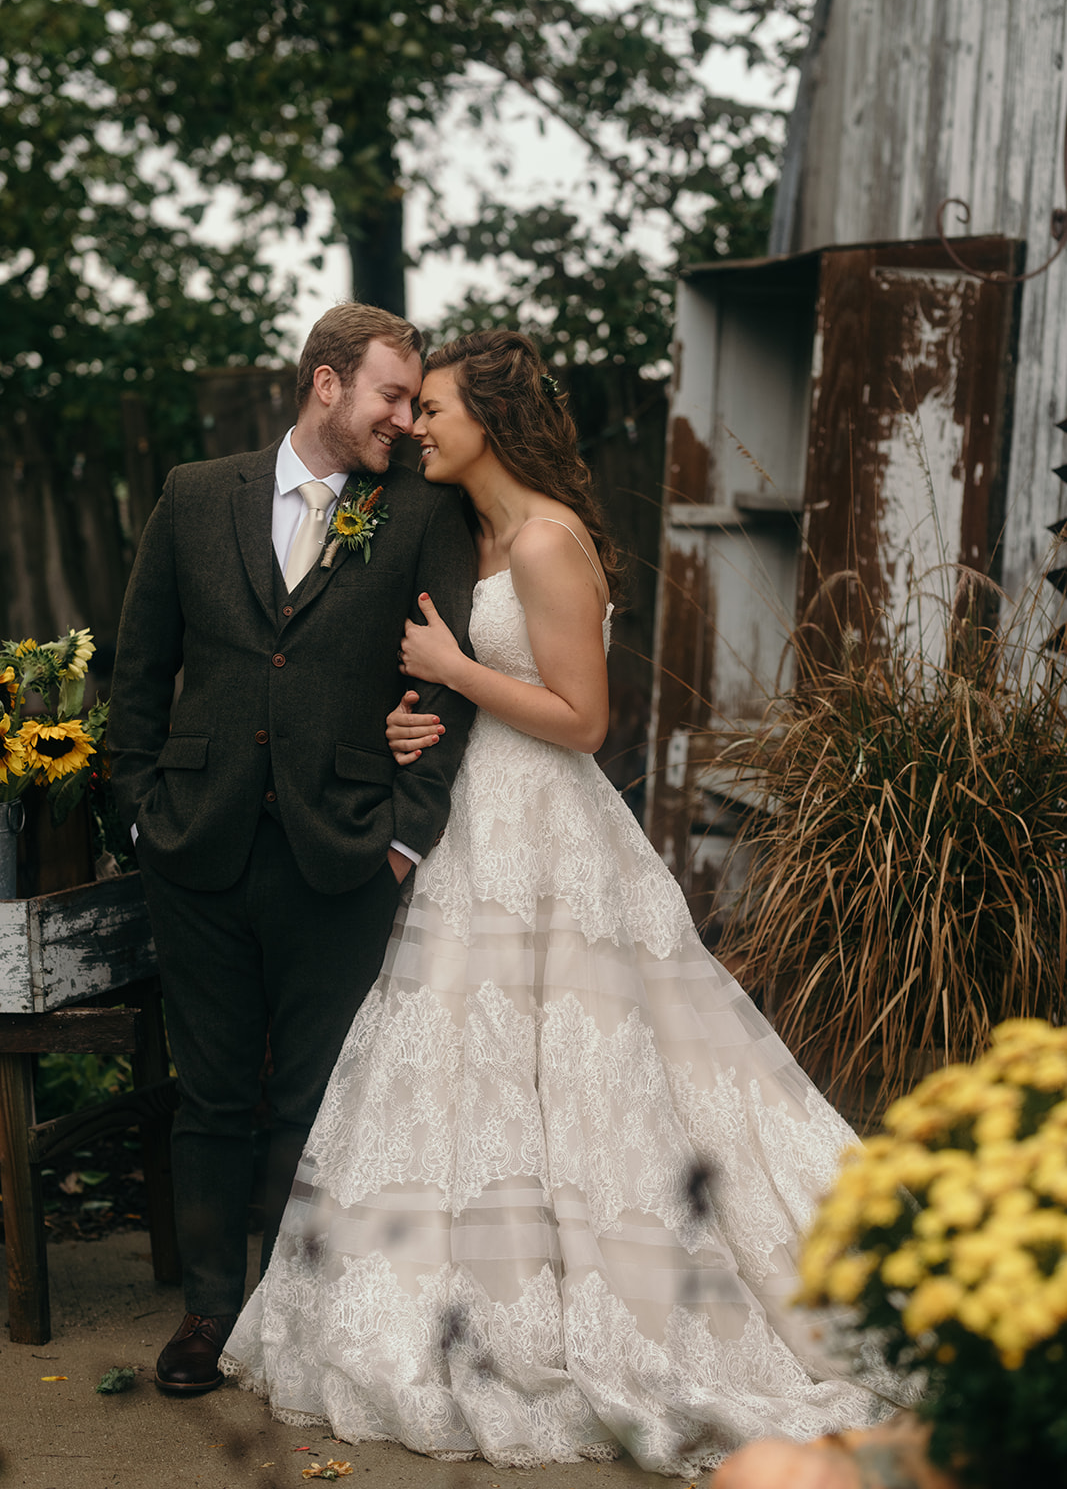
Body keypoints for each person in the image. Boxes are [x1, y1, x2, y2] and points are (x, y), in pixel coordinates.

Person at [221, 331, 897, 1477]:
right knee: (463, 1069)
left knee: (600, 1076)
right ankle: (467, 1304)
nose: (415, 427)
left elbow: (582, 720)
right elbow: (496, 697)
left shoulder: (544, 540)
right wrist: (418, 717)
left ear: (489, 416)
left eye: (432, 408)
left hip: (553, 832)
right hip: (479, 823)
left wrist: (453, 674)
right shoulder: (473, 533)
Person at [107, 303, 477, 1397]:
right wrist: (139, 809)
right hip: (198, 844)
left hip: (344, 848)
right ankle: (209, 1312)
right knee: (211, 1093)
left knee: (315, 1092)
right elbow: (138, 669)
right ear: (325, 383)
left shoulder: (416, 511)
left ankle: (295, 1312)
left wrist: (406, 834)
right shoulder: (193, 494)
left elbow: (443, 683)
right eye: (390, 396)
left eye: (414, 401)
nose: (405, 421)